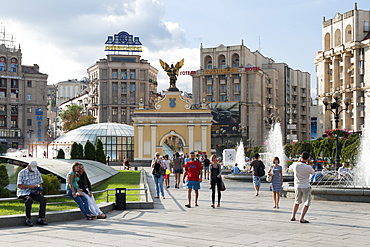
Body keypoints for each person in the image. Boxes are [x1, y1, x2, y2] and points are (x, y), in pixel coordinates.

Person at [17, 160, 48, 226]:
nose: (33, 170)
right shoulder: (22, 173)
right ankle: (28, 218)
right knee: (29, 200)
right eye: (31, 169)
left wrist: (39, 189)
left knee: (43, 199)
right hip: (24, 192)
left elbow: (40, 182)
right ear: (28, 166)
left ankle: (41, 218)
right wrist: (29, 186)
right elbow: (19, 185)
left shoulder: (37, 171)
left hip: (34, 192)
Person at [289, 151, 315, 223]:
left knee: (297, 201)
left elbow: (290, 168)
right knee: (306, 202)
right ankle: (302, 218)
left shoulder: (295, 164)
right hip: (306, 186)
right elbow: (313, 172)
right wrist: (308, 164)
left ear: (301, 157)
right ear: (308, 158)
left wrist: (298, 161)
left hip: (297, 185)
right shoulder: (308, 167)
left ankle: (293, 216)